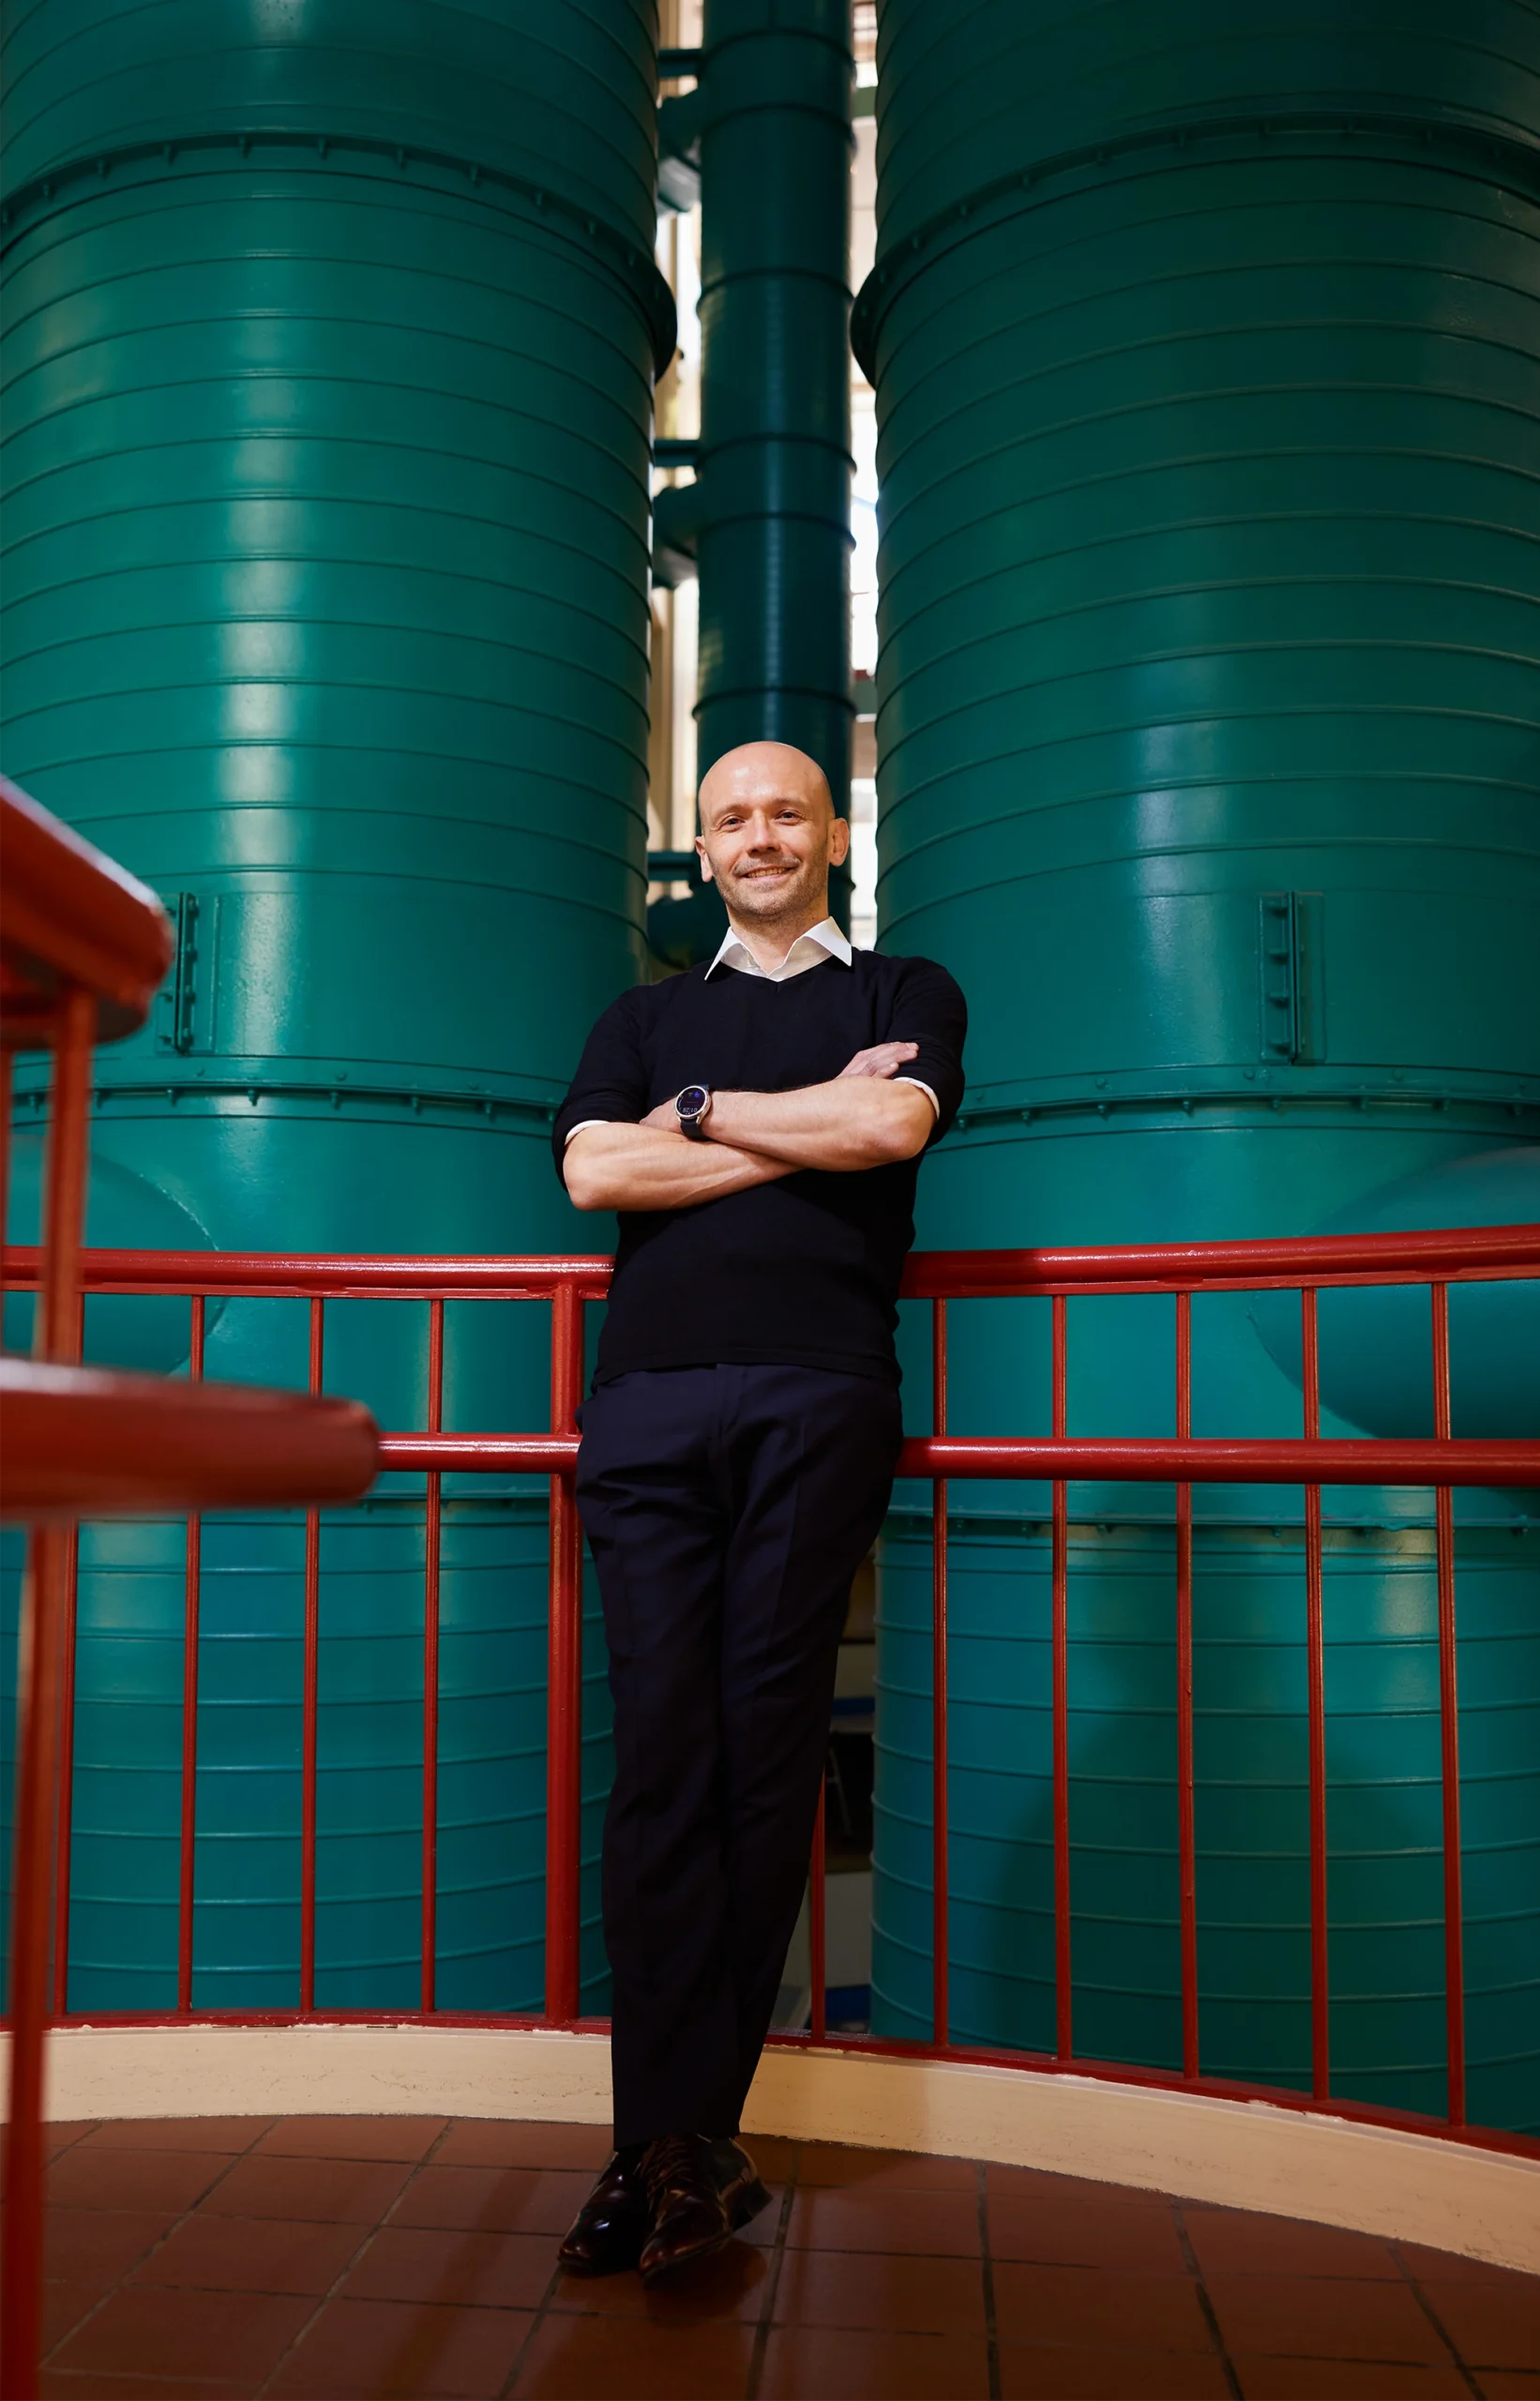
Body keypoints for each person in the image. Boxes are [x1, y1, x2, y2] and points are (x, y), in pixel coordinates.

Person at [551, 739, 966, 2283]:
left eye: (785, 811)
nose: (757, 836)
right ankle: (669, 2149)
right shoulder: (643, 1015)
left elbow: (886, 1135)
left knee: (761, 1747)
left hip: (814, 1395)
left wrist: (697, 1126)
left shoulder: (904, 989)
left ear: (834, 831)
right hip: (648, 1409)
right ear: (701, 847)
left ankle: (673, 2144)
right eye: (728, 818)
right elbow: (596, 1176)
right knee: (660, 1762)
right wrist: (765, 1114)